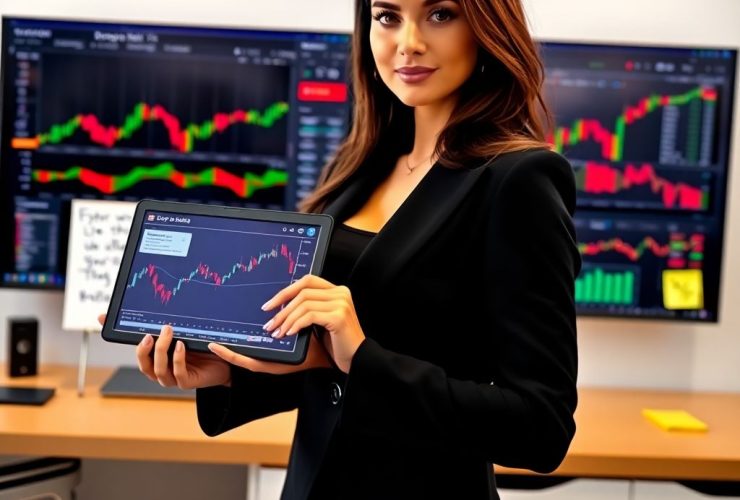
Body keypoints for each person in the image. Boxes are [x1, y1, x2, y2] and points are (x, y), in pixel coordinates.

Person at [118, 0, 581, 498]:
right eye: (388, 17)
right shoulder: (362, 165)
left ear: (487, 26)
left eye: (440, 14)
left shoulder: (520, 180)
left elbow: (541, 427)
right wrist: (230, 373)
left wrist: (360, 357)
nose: (408, 43)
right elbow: (327, 368)